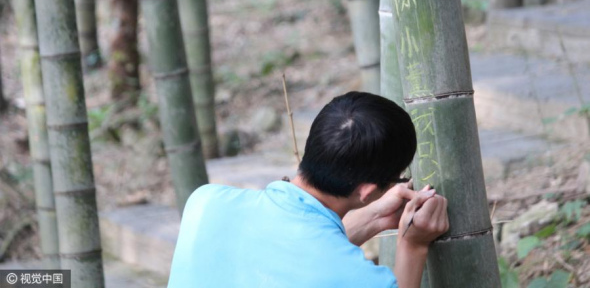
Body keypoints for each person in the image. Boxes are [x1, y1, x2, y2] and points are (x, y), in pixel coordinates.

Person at [167, 91, 449, 288]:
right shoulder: (359, 279)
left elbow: (287, 258)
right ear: (367, 190)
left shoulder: (204, 203)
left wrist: (374, 218)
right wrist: (413, 244)